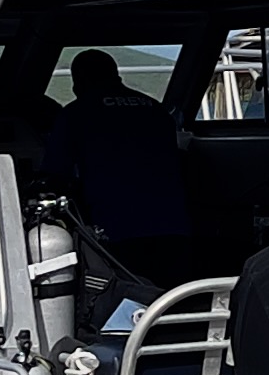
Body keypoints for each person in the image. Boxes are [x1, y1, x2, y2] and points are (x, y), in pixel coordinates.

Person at [45, 48, 192, 288]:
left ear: (78, 82)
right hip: (174, 228)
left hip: (117, 232)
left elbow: (55, 175)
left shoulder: (75, 114)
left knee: (130, 300)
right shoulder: (156, 110)